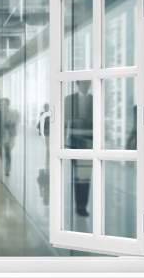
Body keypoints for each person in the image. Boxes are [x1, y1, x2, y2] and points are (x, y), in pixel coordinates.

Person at [64, 80, 93, 217]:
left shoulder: (94, 100)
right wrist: (64, 141)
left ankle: (83, 206)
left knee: (86, 176)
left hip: (89, 144)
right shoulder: (69, 100)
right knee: (77, 175)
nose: (87, 86)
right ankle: (78, 204)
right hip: (74, 143)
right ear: (78, 84)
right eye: (84, 84)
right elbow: (64, 122)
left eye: (89, 84)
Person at [0, 98, 16, 176]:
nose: (3, 105)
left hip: (8, 134)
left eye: (5, 103)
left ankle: (7, 169)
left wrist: (10, 125)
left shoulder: (11, 113)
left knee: (7, 152)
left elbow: (14, 123)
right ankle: (4, 162)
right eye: (1, 103)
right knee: (0, 151)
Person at [37, 103, 50, 168]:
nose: (46, 108)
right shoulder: (43, 113)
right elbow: (41, 121)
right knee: (47, 143)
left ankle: (48, 153)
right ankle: (48, 153)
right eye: (45, 107)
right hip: (47, 130)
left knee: (49, 143)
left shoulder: (50, 113)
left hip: (50, 130)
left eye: (47, 107)